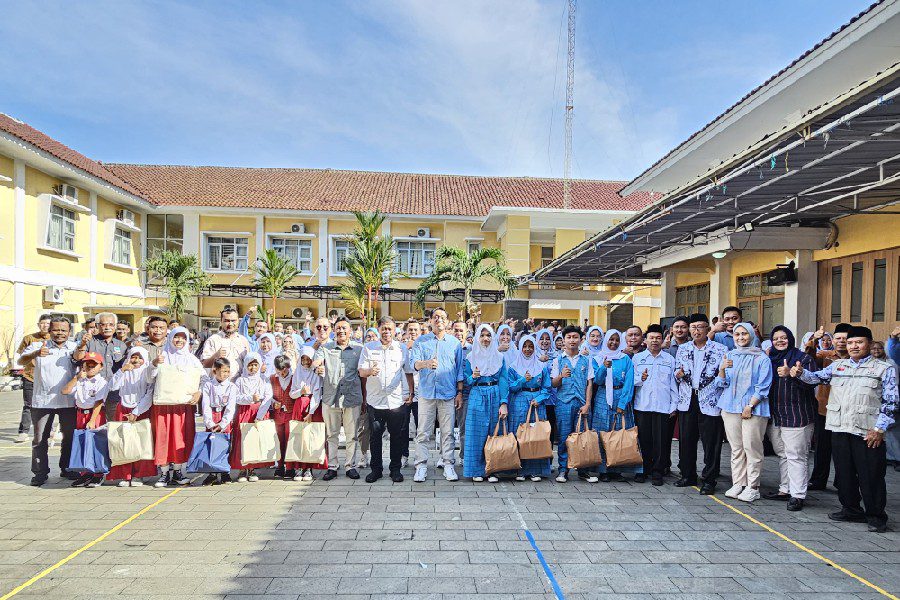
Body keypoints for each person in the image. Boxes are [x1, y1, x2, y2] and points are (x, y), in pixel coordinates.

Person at [792, 326, 896, 533]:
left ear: (869, 344)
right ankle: (851, 509)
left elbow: (891, 402)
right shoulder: (838, 366)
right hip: (839, 428)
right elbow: (816, 378)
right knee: (844, 472)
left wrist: (879, 429)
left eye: (859, 342)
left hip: (867, 432)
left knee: (871, 476)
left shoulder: (884, 369)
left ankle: (876, 516)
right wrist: (800, 373)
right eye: (850, 343)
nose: (854, 346)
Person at [715, 323, 772, 503]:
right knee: (737, 448)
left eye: (744, 334)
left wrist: (750, 405)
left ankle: (753, 487)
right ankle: (738, 483)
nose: (740, 337)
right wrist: (722, 369)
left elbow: (764, 386)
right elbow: (721, 384)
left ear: (751, 335)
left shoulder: (762, 358)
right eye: (737, 334)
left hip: (753, 409)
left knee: (752, 448)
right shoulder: (730, 355)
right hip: (730, 407)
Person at [764, 326, 818, 511]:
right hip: (775, 416)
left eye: (784, 337)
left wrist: (793, 375)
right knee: (783, 454)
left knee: (796, 455)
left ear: (791, 338)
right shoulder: (770, 359)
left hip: (797, 415)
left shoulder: (803, 359)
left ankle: (798, 495)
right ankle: (785, 489)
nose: (780, 341)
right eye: (776, 338)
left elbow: (813, 382)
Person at [20, 317, 78, 486]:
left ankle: (67, 468)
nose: (59, 333)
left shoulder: (74, 347)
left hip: (68, 401)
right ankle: (40, 472)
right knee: (39, 439)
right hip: (42, 401)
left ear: (69, 332)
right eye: (56, 330)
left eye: (63, 330)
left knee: (69, 438)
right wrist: (35, 354)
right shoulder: (38, 346)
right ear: (49, 331)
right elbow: (20, 361)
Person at [674, 313, 727, 495]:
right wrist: (678, 374)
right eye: (693, 328)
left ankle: (709, 479)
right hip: (687, 399)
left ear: (707, 329)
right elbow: (677, 371)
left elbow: (724, 375)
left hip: (710, 399)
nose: (697, 331)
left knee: (711, 443)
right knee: (686, 440)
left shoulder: (720, 349)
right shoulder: (683, 348)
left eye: (700, 327)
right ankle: (687, 475)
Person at [410, 308, 465, 483]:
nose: (438, 320)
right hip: (427, 393)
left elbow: (459, 370)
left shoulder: (455, 344)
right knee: (423, 432)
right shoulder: (421, 341)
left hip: (448, 393)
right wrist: (425, 363)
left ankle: (448, 464)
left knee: (448, 432)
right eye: (435, 317)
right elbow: (413, 365)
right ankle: (421, 466)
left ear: (447, 322)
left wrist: (459, 392)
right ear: (430, 321)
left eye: (442, 317)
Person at [358, 316, 414, 483]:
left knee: (396, 436)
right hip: (375, 401)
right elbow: (361, 372)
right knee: (375, 437)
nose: (387, 332)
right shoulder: (368, 348)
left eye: (390, 329)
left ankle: (395, 469)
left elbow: (408, 372)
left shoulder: (401, 348)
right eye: (384, 328)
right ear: (378, 330)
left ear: (395, 330)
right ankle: (376, 470)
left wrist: (411, 392)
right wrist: (370, 371)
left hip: (396, 401)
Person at [150, 326, 204, 487]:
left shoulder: (192, 359)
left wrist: (198, 392)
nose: (179, 340)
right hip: (164, 406)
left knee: (180, 438)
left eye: (183, 337)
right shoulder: (162, 356)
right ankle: (164, 473)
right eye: (176, 337)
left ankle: (178, 471)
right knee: (163, 438)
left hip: (183, 406)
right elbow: (149, 378)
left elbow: (204, 379)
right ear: (170, 338)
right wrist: (154, 364)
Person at [313, 317, 364, 481]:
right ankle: (332, 466)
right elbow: (316, 362)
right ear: (334, 330)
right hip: (331, 398)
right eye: (338, 328)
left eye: (344, 328)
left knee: (352, 435)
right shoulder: (325, 348)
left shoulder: (359, 349)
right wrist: (318, 366)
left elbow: (363, 373)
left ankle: (350, 466)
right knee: (332, 435)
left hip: (352, 397)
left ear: (350, 331)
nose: (341, 331)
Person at [806, 323, 851, 490]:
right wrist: (814, 339)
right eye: (838, 338)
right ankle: (818, 480)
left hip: (847, 410)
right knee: (822, 447)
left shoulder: (855, 359)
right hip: (824, 408)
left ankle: (842, 482)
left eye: (845, 338)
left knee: (843, 449)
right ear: (833, 340)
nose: (841, 341)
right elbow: (808, 358)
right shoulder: (825, 355)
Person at [632, 324, 679, 486]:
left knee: (661, 441)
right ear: (645, 340)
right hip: (642, 406)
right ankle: (642, 470)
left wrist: (673, 405)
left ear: (663, 340)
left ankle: (657, 471)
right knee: (643, 440)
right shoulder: (637, 358)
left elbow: (673, 384)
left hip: (662, 406)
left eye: (658, 338)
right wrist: (640, 379)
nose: (655, 341)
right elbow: (631, 381)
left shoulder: (669, 359)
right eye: (651, 338)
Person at [462, 325, 509, 482]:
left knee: (494, 431)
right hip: (477, 394)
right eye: (482, 335)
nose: (485, 339)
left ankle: (493, 470)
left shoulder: (499, 357)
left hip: (495, 393)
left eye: (488, 335)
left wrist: (503, 402)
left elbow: (503, 380)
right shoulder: (470, 357)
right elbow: (467, 380)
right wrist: (473, 377)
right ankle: (476, 470)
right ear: (477, 338)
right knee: (476, 432)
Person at [591, 329, 639, 482]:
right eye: (611, 339)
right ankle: (603, 470)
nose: (614, 342)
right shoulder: (598, 358)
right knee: (602, 431)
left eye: (617, 340)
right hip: (603, 397)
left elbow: (629, 382)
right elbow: (597, 381)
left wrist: (623, 403)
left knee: (619, 432)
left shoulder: (625, 359)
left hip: (621, 396)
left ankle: (618, 468)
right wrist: (603, 367)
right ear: (605, 341)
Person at [106, 347, 157, 487]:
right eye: (134, 357)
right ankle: (125, 473)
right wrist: (122, 371)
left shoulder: (147, 372)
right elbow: (112, 387)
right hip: (123, 409)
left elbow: (149, 394)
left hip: (141, 410)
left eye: (140, 357)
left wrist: (136, 412)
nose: (136, 360)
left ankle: (139, 474)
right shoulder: (124, 371)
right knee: (123, 442)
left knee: (141, 442)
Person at [550, 325, 594, 483]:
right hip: (563, 403)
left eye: (575, 337)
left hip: (581, 403)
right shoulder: (558, 360)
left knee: (582, 437)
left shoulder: (586, 360)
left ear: (581, 340)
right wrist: (561, 376)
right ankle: (563, 470)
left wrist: (587, 404)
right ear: (563, 340)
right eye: (569, 337)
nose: (572, 340)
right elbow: (553, 384)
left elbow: (590, 384)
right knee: (563, 437)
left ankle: (583, 470)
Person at [507, 334, 552, 481]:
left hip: (537, 403)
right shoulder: (513, 366)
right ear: (520, 348)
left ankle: (536, 470)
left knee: (537, 435)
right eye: (525, 346)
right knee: (521, 434)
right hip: (519, 402)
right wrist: (522, 380)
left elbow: (547, 387)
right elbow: (511, 387)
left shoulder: (541, 367)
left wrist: (539, 399)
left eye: (531, 346)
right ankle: (519, 469)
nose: (528, 349)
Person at [61, 351, 109, 487]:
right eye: (88, 364)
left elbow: (99, 402)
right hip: (80, 414)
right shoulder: (80, 380)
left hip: (95, 414)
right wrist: (76, 378)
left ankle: (98, 473)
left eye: (94, 365)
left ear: (101, 366)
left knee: (96, 443)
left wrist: (92, 420)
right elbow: (65, 391)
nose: (90, 367)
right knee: (82, 442)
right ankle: (85, 473)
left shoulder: (101, 382)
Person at [73, 312, 127, 420]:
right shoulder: (89, 341)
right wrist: (82, 344)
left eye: (111, 324)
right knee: (93, 424)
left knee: (112, 424)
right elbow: (77, 358)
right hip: (91, 393)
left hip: (113, 393)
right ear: (97, 326)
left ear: (115, 326)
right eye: (103, 324)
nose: (107, 327)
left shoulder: (121, 345)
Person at [231, 352, 274, 482]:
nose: (253, 368)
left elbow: (268, 397)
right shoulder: (240, 380)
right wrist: (250, 398)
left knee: (255, 440)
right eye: (250, 365)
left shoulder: (264, 379)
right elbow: (236, 397)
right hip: (244, 411)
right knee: (243, 439)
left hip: (259, 411)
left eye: (256, 365)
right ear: (245, 365)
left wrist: (260, 415)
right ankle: (242, 469)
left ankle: (252, 469)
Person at [289, 346, 326, 480]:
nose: (305, 362)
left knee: (310, 437)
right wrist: (301, 392)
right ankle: (298, 466)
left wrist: (311, 412)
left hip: (312, 407)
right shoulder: (297, 373)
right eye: (303, 359)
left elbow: (317, 393)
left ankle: (309, 467)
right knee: (298, 436)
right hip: (299, 406)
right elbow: (292, 394)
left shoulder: (316, 374)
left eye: (308, 359)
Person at [14, 314, 52, 443]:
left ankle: (49, 430)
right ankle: (23, 432)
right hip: (30, 376)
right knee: (28, 405)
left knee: (49, 404)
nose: (45, 326)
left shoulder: (54, 338)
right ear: (38, 324)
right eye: (42, 323)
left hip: (48, 378)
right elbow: (22, 356)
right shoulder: (29, 338)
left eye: (48, 323)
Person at [200, 358, 237, 486]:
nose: (225, 374)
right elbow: (205, 405)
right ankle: (212, 473)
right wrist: (210, 423)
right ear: (215, 371)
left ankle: (224, 471)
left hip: (224, 417)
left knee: (225, 445)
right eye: (222, 371)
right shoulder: (208, 385)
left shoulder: (231, 387)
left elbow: (231, 407)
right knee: (212, 445)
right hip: (212, 416)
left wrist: (223, 423)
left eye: (227, 371)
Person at [201, 308, 251, 381]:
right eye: (227, 321)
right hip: (219, 384)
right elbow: (205, 364)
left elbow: (248, 363)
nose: (230, 324)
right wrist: (216, 356)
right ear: (221, 321)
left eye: (233, 321)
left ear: (238, 321)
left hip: (239, 384)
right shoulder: (213, 340)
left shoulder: (243, 340)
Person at [269, 355, 296, 480]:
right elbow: (268, 395)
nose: (283, 372)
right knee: (278, 440)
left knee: (290, 439)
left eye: (285, 369)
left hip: (291, 413)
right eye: (280, 370)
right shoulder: (272, 378)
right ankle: (280, 466)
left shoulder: (294, 377)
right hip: (278, 414)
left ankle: (290, 468)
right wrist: (273, 402)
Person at [401, 319, 423, 467]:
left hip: (421, 394)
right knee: (402, 427)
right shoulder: (401, 348)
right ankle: (403, 455)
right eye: (410, 330)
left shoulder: (424, 347)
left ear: (420, 332)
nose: (413, 332)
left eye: (416, 330)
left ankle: (419, 457)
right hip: (403, 393)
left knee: (421, 429)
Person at [452, 320, 472, 461]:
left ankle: (463, 456)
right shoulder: (447, 347)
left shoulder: (473, 350)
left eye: (461, 331)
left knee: (464, 426)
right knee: (446, 428)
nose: (458, 333)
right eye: (456, 330)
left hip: (466, 393)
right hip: (448, 392)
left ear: (466, 333)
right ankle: (445, 456)